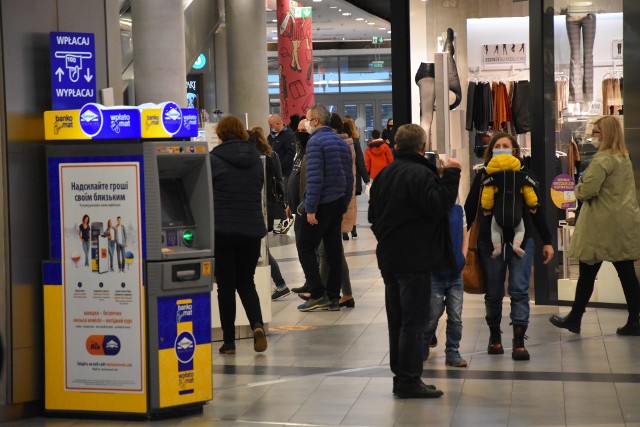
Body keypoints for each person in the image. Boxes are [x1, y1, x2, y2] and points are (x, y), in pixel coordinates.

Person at [368, 123, 461, 399]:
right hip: (415, 259)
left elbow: (373, 216)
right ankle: (409, 381)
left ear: (396, 146)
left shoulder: (385, 175)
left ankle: (401, 379)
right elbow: (438, 204)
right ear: (422, 146)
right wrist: (453, 173)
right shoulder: (421, 173)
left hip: (389, 258)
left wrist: (388, 237)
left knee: (397, 321)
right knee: (413, 322)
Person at [464, 132, 554, 361]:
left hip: (522, 241)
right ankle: (495, 336)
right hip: (489, 241)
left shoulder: (524, 174)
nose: (502, 148)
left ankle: (519, 340)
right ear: (491, 150)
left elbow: (537, 209)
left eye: (506, 145)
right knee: (494, 292)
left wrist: (548, 241)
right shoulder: (483, 174)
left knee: (519, 290)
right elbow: (470, 207)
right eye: (498, 145)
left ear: (514, 150)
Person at [550, 116, 640, 336]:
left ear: (606, 134)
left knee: (588, 271)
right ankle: (634, 319)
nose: (593, 136)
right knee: (626, 272)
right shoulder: (622, 157)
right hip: (622, 221)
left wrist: (579, 186)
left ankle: (575, 318)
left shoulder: (602, 160)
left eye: (597, 132)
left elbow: (587, 191)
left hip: (601, 224)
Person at [211, 115, 268, 354]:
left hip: (223, 230)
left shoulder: (213, 159)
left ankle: (229, 342)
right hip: (251, 229)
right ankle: (257, 324)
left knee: (225, 287)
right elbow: (259, 188)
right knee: (247, 281)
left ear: (221, 134)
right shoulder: (255, 158)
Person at [296, 104, 353, 312]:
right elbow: (349, 177)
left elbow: (315, 178)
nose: (307, 123)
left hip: (322, 203)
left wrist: (310, 209)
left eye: (308, 119)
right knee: (333, 248)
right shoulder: (341, 143)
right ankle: (333, 297)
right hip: (337, 201)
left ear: (316, 121)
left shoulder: (315, 142)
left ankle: (318, 293)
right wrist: (344, 203)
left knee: (305, 246)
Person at [423, 202, 469, 368]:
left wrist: (462, 258)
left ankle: (452, 350)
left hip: (455, 274)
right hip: (434, 273)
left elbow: (465, 236)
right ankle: (424, 341)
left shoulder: (458, 210)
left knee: (456, 316)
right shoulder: (428, 210)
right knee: (432, 315)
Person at [247, 127, 291, 301]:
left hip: (257, 207)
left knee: (261, 248)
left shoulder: (253, 159)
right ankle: (278, 284)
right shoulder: (272, 155)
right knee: (262, 246)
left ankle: (280, 284)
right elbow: (279, 178)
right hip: (270, 206)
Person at [481, 152, 540, 258]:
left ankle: (497, 248)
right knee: (520, 230)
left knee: (495, 230)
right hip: (516, 213)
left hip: (498, 214)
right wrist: (533, 205)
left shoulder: (492, 179)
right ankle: (517, 245)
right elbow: (529, 193)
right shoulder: (522, 177)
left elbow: (487, 197)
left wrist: (487, 208)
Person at [268, 114, 297, 233]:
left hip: (285, 171)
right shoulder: (271, 136)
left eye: (271, 125)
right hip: (273, 172)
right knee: (277, 197)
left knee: (284, 196)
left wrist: (280, 166)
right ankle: (281, 219)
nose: (270, 127)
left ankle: (286, 219)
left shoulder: (288, 135)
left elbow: (290, 154)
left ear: (278, 123)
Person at [343, 117, 370, 239]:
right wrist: (366, 179)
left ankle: (344, 230)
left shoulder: (337, 140)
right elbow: (360, 161)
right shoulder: (355, 142)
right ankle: (353, 228)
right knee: (353, 204)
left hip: (340, 177)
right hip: (354, 176)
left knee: (342, 204)